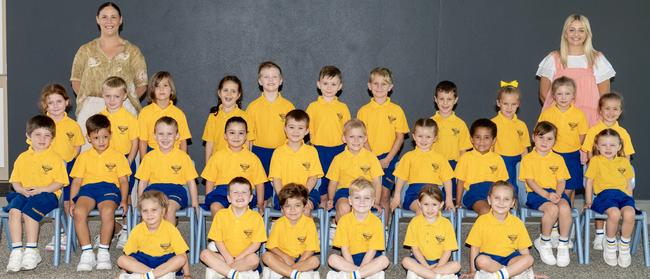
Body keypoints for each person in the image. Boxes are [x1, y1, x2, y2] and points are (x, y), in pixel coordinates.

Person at [71, 2, 147, 139]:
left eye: (113, 17)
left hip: (124, 108)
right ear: (97, 20)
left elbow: (142, 84)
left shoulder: (133, 51)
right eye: (104, 17)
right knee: (88, 156)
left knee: (125, 154)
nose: (109, 21)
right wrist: (89, 102)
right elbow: (76, 80)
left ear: (120, 20)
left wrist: (123, 100)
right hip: (91, 110)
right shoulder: (85, 50)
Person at [136, 116, 199, 278]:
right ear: (154, 136)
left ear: (177, 136)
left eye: (170, 134)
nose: (165, 138)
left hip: (175, 191)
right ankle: (148, 248)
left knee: (168, 208)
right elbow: (142, 183)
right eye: (161, 134)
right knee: (150, 210)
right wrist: (140, 202)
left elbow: (191, 182)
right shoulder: (149, 157)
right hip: (153, 190)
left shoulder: (183, 157)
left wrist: (195, 203)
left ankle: (168, 250)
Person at [5, 115, 67, 272]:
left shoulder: (55, 158)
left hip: (47, 194)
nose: (42, 139)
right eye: (37, 134)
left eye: (47, 135)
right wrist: (20, 189)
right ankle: (17, 250)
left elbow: (59, 182)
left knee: (29, 212)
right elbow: (15, 181)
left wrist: (41, 189)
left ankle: (32, 250)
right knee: (14, 211)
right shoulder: (22, 158)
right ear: (28, 137)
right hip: (24, 192)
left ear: (52, 138)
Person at [69, 114, 131, 271]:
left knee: (108, 211)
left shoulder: (118, 156)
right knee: (79, 212)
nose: (101, 141)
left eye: (105, 137)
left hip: (109, 189)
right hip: (88, 190)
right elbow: (76, 181)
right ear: (89, 138)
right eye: (96, 137)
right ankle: (87, 252)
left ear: (110, 135)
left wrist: (124, 200)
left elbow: (124, 181)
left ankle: (103, 251)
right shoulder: (83, 157)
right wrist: (71, 201)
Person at [537, 14, 615, 126]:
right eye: (572, 30)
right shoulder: (553, 58)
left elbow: (604, 95)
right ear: (565, 33)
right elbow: (544, 94)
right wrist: (563, 114)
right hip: (559, 121)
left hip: (590, 120)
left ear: (587, 34)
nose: (576, 34)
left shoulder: (597, 59)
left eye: (581, 30)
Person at [581, 93, 635, 250]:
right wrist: (595, 168)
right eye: (607, 109)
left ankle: (611, 234)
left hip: (616, 176)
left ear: (620, 111)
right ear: (600, 110)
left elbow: (627, 157)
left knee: (618, 205)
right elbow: (590, 153)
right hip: (598, 174)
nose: (611, 113)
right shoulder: (594, 130)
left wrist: (625, 176)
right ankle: (599, 234)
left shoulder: (623, 133)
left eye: (615, 109)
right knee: (600, 199)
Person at [357, 67, 409, 219]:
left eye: (384, 84)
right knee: (366, 195)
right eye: (376, 83)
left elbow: (400, 137)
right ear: (369, 86)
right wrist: (373, 158)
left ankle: (383, 231)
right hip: (368, 156)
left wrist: (387, 159)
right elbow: (361, 136)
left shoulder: (397, 110)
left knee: (385, 196)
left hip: (389, 158)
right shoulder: (363, 111)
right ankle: (365, 230)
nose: (379, 88)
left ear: (390, 87)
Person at [38, 84, 84, 252]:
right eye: (51, 103)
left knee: (66, 201)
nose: (55, 106)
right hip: (48, 167)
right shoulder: (41, 124)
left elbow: (78, 146)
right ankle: (58, 231)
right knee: (52, 199)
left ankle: (67, 233)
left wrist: (72, 161)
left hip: (68, 167)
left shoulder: (73, 125)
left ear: (67, 102)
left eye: (59, 101)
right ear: (45, 106)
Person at [520, 122, 572, 267]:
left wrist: (558, 194)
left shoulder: (558, 159)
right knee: (552, 209)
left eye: (549, 139)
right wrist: (547, 195)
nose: (545, 142)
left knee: (565, 208)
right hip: (535, 193)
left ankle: (563, 244)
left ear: (555, 141)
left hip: (555, 192)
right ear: (533, 138)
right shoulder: (527, 159)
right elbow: (530, 182)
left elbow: (561, 181)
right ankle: (544, 242)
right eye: (541, 137)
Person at [246, 61, 295, 212]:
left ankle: (278, 222)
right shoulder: (253, 107)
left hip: (282, 154)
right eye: (266, 77)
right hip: (260, 153)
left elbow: (294, 135)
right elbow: (249, 138)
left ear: (281, 80)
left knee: (281, 190)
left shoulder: (288, 106)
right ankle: (261, 226)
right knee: (262, 194)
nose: (271, 80)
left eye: (274, 77)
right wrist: (248, 158)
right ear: (260, 81)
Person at [584, 129, 636, 267]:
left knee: (630, 213)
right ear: (597, 146)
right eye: (604, 145)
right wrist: (588, 201)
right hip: (604, 195)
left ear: (619, 147)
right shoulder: (595, 160)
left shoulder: (624, 162)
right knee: (614, 213)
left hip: (623, 195)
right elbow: (589, 182)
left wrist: (630, 200)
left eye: (612, 145)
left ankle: (624, 245)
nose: (608, 148)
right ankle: (610, 243)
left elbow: (628, 183)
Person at [99, 76, 139, 249]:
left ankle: (126, 230)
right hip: (105, 164)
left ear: (124, 96)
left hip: (125, 160)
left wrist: (129, 161)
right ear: (103, 95)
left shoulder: (130, 118)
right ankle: (112, 227)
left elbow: (135, 141)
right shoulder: (100, 117)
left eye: (116, 96)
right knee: (106, 195)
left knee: (126, 196)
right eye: (108, 96)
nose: (112, 100)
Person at [465, 181, 535, 279]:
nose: (501, 202)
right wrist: (473, 271)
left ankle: (499, 275)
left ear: (512, 203)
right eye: (497, 198)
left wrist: (531, 271)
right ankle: (511, 273)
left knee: (529, 259)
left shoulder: (517, 222)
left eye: (506, 199)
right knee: (481, 260)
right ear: (489, 200)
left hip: (510, 258)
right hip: (489, 258)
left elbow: (524, 249)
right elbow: (475, 247)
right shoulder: (481, 221)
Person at [200, 177, 266, 279]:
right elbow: (218, 240)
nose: (240, 195)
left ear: (251, 198)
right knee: (204, 254)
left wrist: (239, 258)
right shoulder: (221, 215)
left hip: (245, 258)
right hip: (224, 256)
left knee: (254, 259)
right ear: (229, 198)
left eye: (244, 192)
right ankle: (236, 275)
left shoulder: (256, 217)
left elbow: (256, 244)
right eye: (235, 192)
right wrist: (228, 258)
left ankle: (221, 272)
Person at [305, 65, 351, 210]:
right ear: (319, 85)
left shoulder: (343, 107)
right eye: (325, 83)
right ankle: (323, 220)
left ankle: (333, 222)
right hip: (319, 150)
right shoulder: (312, 107)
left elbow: (348, 131)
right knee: (322, 185)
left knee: (336, 183)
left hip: (338, 150)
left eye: (333, 84)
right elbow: (308, 131)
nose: (329, 87)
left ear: (340, 86)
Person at [201, 117, 267, 215]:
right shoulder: (217, 156)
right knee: (215, 207)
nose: (236, 137)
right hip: (222, 192)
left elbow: (260, 183)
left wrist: (260, 203)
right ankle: (223, 230)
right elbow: (210, 180)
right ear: (225, 136)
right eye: (232, 133)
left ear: (246, 136)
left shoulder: (253, 158)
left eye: (241, 133)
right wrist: (209, 198)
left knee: (241, 210)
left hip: (244, 193)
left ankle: (238, 230)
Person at [327, 178, 390, 279]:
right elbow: (344, 248)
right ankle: (363, 274)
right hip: (349, 259)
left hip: (370, 259)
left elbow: (372, 250)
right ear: (350, 201)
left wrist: (362, 267)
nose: (362, 202)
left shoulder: (376, 222)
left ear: (373, 202)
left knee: (384, 260)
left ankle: (352, 275)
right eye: (357, 198)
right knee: (332, 259)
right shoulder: (343, 221)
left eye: (367, 198)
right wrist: (359, 270)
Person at [538, 77, 587, 203]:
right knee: (556, 186)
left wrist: (573, 145)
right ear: (553, 95)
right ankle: (558, 213)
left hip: (572, 155)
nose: (563, 97)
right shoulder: (547, 114)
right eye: (559, 94)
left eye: (567, 94)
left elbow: (582, 134)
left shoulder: (579, 114)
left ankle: (567, 214)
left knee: (570, 187)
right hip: (553, 154)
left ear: (573, 96)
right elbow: (540, 132)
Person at [117, 191, 187, 279]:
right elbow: (128, 253)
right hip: (143, 262)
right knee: (121, 260)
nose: (149, 214)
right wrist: (122, 272)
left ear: (163, 211)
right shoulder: (137, 229)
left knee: (181, 259)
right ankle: (157, 275)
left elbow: (182, 253)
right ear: (141, 213)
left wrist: (187, 275)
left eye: (154, 210)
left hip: (165, 261)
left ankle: (145, 276)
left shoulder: (171, 228)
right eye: (145, 211)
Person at [391, 118, 454, 215]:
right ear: (414, 137)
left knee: (434, 211)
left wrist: (449, 200)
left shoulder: (440, 158)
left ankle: (433, 230)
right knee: (422, 210)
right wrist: (397, 197)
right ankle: (421, 230)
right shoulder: (408, 157)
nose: (424, 140)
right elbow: (401, 179)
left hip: (435, 193)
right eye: (420, 136)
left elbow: (447, 180)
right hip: (414, 194)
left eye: (428, 137)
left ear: (435, 138)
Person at [326, 119, 383, 222]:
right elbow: (333, 183)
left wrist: (376, 202)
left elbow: (377, 183)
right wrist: (331, 199)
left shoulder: (371, 157)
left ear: (365, 139)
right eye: (351, 137)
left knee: (362, 209)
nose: (356, 141)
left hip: (365, 192)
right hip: (344, 191)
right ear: (344, 138)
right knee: (344, 207)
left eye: (360, 137)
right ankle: (339, 230)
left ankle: (359, 235)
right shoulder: (338, 159)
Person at [269, 109, 323, 216]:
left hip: (307, 192)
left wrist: (302, 196)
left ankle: (306, 233)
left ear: (307, 131)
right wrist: (283, 198)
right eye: (291, 127)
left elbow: (313, 177)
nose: (295, 131)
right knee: (289, 209)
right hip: (284, 193)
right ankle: (286, 232)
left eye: (300, 128)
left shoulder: (312, 151)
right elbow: (276, 179)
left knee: (305, 209)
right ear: (285, 129)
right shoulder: (278, 152)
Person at [262, 184, 321, 279]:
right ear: (282, 209)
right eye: (288, 206)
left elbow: (311, 249)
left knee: (315, 261)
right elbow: (271, 246)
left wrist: (301, 261)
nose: (292, 210)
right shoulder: (278, 223)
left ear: (304, 207)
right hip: (282, 258)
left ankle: (280, 272)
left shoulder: (309, 223)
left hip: (302, 258)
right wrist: (285, 257)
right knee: (266, 256)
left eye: (297, 205)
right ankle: (297, 274)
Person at [401, 185, 460, 279]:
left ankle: (427, 274)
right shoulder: (414, 222)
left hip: (440, 262)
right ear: (419, 204)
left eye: (434, 204)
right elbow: (415, 249)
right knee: (406, 261)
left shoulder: (446, 224)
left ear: (441, 205)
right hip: (420, 261)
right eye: (426, 204)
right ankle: (435, 276)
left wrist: (438, 266)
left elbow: (447, 251)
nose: (430, 209)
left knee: (456, 265)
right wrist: (426, 266)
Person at [454, 119, 508, 215]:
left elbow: (502, 183)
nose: (482, 141)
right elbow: (460, 181)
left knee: (502, 211)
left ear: (493, 140)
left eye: (486, 137)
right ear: (471, 139)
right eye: (478, 137)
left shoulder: (498, 159)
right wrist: (458, 203)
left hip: (493, 194)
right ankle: (484, 229)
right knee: (485, 211)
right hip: (473, 193)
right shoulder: (465, 157)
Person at [430, 81, 472, 197]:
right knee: (434, 198)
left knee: (450, 199)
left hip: (454, 166)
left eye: (449, 99)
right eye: (441, 99)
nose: (445, 103)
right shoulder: (430, 123)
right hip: (434, 165)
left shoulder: (460, 124)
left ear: (456, 100)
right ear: (435, 99)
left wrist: (462, 170)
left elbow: (463, 151)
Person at [202, 75, 255, 163]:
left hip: (238, 162)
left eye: (233, 91)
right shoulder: (213, 116)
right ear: (219, 93)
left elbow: (249, 142)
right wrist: (208, 165)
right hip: (218, 163)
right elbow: (209, 142)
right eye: (225, 90)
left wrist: (246, 163)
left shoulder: (245, 117)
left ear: (238, 95)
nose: (229, 94)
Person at [138, 71, 192, 154]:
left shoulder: (178, 114)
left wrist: (183, 160)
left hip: (175, 152)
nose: (161, 89)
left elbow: (183, 141)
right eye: (157, 86)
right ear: (152, 90)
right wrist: (144, 162)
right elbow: (143, 141)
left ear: (172, 90)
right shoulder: (145, 113)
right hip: (153, 152)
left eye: (165, 85)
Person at [491, 82, 530, 187]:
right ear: (498, 103)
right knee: (502, 186)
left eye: (513, 104)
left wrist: (525, 164)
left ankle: (515, 202)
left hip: (517, 161)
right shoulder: (493, 124)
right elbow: (490, 146)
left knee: (516, 186)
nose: (509, 108)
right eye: (505, 104)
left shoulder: (521, 125)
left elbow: (524, 147)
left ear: (518, 104)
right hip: (500, 159)